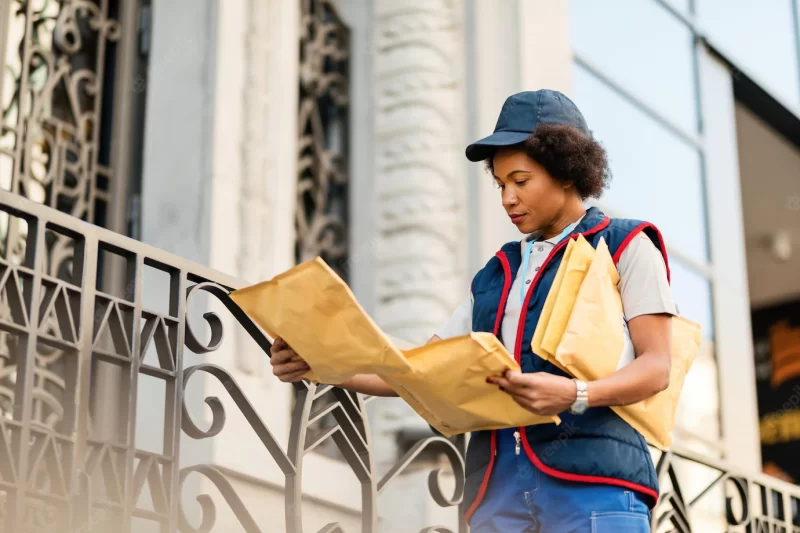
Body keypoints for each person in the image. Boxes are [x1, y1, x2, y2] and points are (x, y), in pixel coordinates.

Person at [269, 90, 676, 532]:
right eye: (501, 184)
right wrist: (322, 363)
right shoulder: (497, 273)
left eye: (521, 181)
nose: (508, 198)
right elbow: (418, 370)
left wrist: (574, 395)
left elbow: (657, 366)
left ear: (566, 171)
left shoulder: (627, 245)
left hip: (592, 484)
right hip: (495, 494)